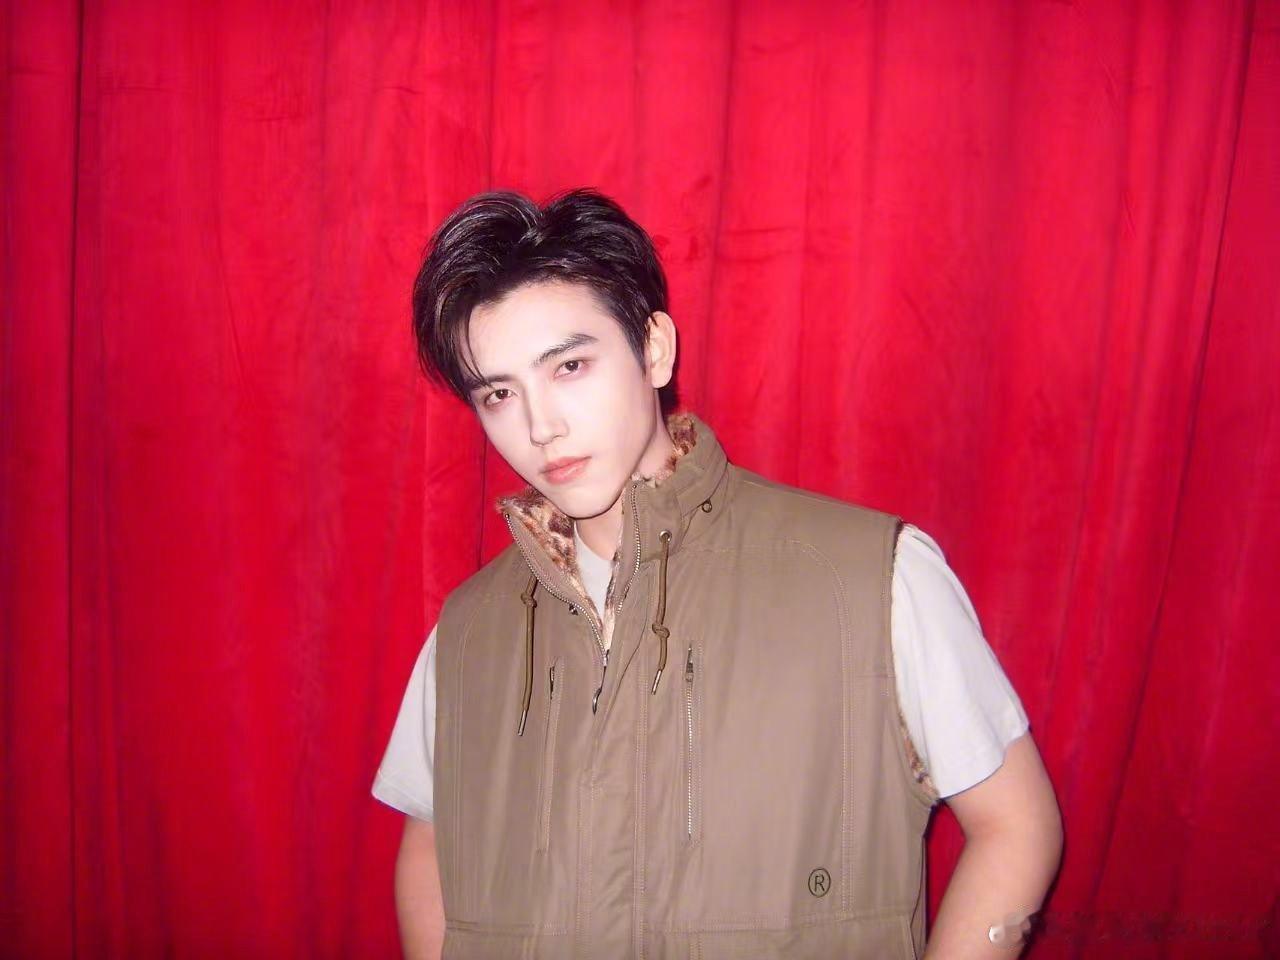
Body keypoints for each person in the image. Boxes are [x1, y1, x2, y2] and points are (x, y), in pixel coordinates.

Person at [372, 188, 1062, 959]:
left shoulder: (869, 578)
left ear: (654, 349)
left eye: (569, 366)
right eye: (500, 394)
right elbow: (429, 843)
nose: (540, 427)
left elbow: (1016, 824)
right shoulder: (469, 626)